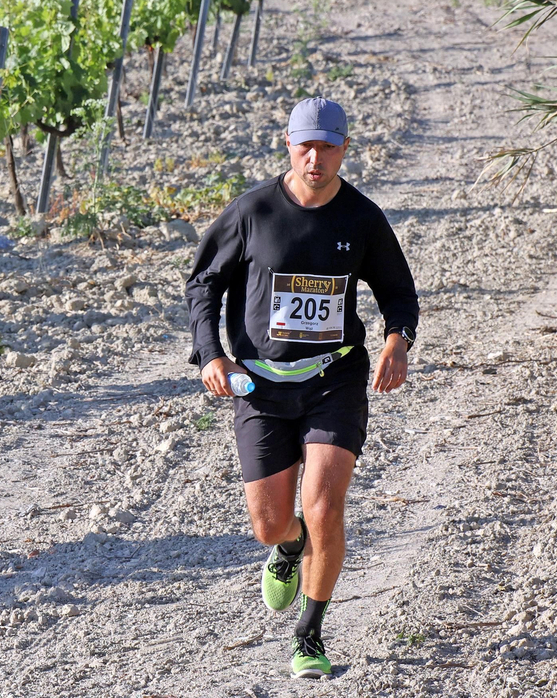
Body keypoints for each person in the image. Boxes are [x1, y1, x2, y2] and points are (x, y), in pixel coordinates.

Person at [185, 97, 418, 680]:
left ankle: (309, 633)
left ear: (345, 148)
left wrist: (397, 342)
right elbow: (203, 285)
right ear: (287, 144)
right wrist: (211, 354)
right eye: (305, 145)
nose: (316, 157)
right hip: (259, 385)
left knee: (323, 507)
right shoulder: (252, 212)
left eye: (329, 146)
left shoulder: (361, 218)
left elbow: (398, 292)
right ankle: (288, 547)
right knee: (270, 522)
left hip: (332, 379)